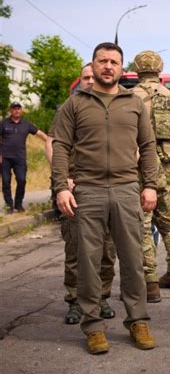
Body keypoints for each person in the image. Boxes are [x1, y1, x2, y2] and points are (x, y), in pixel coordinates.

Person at [52, 42, 159, 354]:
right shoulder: (74, 104)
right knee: (88, 262)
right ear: (94, 65)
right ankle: (94, 326)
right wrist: (61, 187)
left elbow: (148, 145)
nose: (108, 66)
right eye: (103, 61)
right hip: (88, 190)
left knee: (132, 260)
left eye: (114, 61)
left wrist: (150, 184)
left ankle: (138, 320)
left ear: (122, 68)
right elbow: (60, 146)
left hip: (127, 189)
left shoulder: (134, 102)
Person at [46, 63, 117, 324]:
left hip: (106, 188)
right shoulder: (69, 107)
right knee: (76, 248)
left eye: (92, 77)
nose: (89, 81)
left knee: (107, 249)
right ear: (81, 80)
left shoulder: (111, 106)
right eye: (85, 77)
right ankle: (75, 301)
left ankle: (102, 297)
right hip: (76, 188)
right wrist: (63, 181)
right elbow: (53, 143)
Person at [132, 50, 170, 300]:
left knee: (143, 224)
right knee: (168, 221)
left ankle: (149, 282)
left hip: (142, 165)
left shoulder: (131, 95)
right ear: (159, 69)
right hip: (167, 164)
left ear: (138, 68)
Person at [0, 101, 47, 213]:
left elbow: (40, 134)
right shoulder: (3, 123)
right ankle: (9, 206)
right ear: (10, 111)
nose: (16, 110)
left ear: (21, 110)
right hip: (5, 158)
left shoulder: (26, 124)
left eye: (18, 108)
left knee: (22, 180)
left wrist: (51, 142)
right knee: (6, 182)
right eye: (14, 108)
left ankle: (18, 204)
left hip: (20, 158)